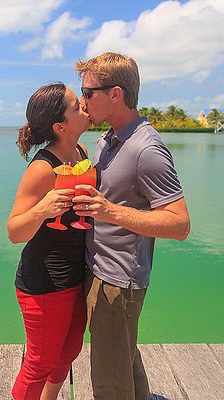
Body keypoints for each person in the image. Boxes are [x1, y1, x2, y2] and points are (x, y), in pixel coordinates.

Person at [73, 52, 191, 399]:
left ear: (115, 94)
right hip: (100, 272)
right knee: (123, 360)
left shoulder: (146, 149)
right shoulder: (107, 140)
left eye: (88, 92)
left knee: (109, 382)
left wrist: (111, 212)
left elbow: (179, 224)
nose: (83, 101)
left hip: (118, 280)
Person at [7, 82, 92, 400]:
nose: (84, 104)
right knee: (39, 362)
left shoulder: (81, 153)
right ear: (60, 126)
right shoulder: (43, 168)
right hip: (43, 282)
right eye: (76, 105)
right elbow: (15, 231)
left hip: (76, 276)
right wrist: (42, 209)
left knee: (68, 353)